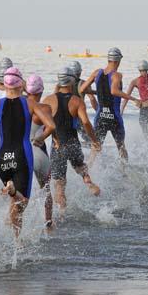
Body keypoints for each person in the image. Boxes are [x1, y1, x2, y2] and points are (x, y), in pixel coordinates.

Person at [0, 68, 55, 238]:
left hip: (2, 157)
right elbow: (51, 126)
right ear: (20, 84)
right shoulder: (29, 103)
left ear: (5, 84)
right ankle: (18, 241)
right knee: (21, 203)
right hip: (22, 155)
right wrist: (41, 138)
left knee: (14, 202)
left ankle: (13, 238)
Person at [43, 67, 101, 217]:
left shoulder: (48, 100)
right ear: (71, 82)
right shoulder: (77, 101)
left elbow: (43, 124)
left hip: (58, 146)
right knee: (82, 169)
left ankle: (62, 214)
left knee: (60, 186)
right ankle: (90, 184)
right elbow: (86, 123)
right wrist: (94, 141)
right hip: (73, 144)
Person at [80, 47, 141, 163]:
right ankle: (124, 171)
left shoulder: (96, 72)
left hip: (101, 116)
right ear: (118, 61)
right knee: (121, 147)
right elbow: (114, 91)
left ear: (108, 60)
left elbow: (82, 89)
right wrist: (134, 99)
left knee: (95, 147)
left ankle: (90, 171)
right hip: (114, 117)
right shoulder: (117, 75)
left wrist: (98, 92)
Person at [25, 74, 54, 227]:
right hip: (38, 152)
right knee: (46, 189)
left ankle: (13, 223)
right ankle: (48, 223)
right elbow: (52, 127)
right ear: (41, 91)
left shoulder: (17, 105)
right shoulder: (44, 108)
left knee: (19, 189)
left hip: (20, 151)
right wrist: (41, 138)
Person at [68, 61, 98, 145]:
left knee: (67, 141)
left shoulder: (63, 84)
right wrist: (98, 111)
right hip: (79, 116)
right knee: (91, 141)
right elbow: (92, 99)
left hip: (66, 116)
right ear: (80, 72)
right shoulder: (83, 84)